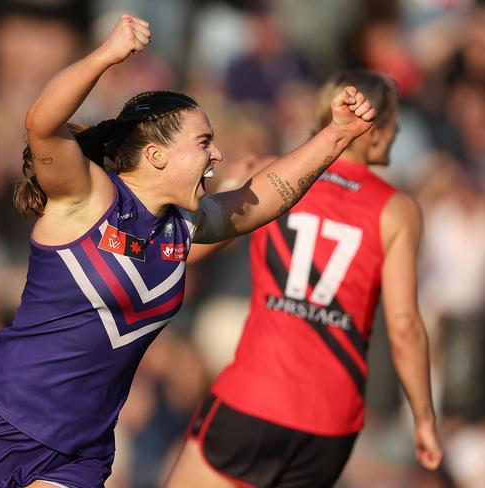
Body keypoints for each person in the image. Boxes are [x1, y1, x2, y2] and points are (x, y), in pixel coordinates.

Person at [0, 15, 377, 488]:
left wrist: (337, 135)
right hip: (0, 420)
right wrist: (107, 54)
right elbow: (42, 123)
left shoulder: (182, 228)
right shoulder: (87, 198)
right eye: (203, 143)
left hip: (80, 450)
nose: (216, 155)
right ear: (157, 155)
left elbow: (267, 197)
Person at [166, 70, 444, 488]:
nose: (396, 131)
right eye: (390, 123)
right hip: (330, 424)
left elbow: (186, 250)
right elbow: (404, 327)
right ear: (368, 129)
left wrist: (226, 185)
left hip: (254, 399)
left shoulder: (269, 172)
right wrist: (424, 419)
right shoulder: (396, 210)